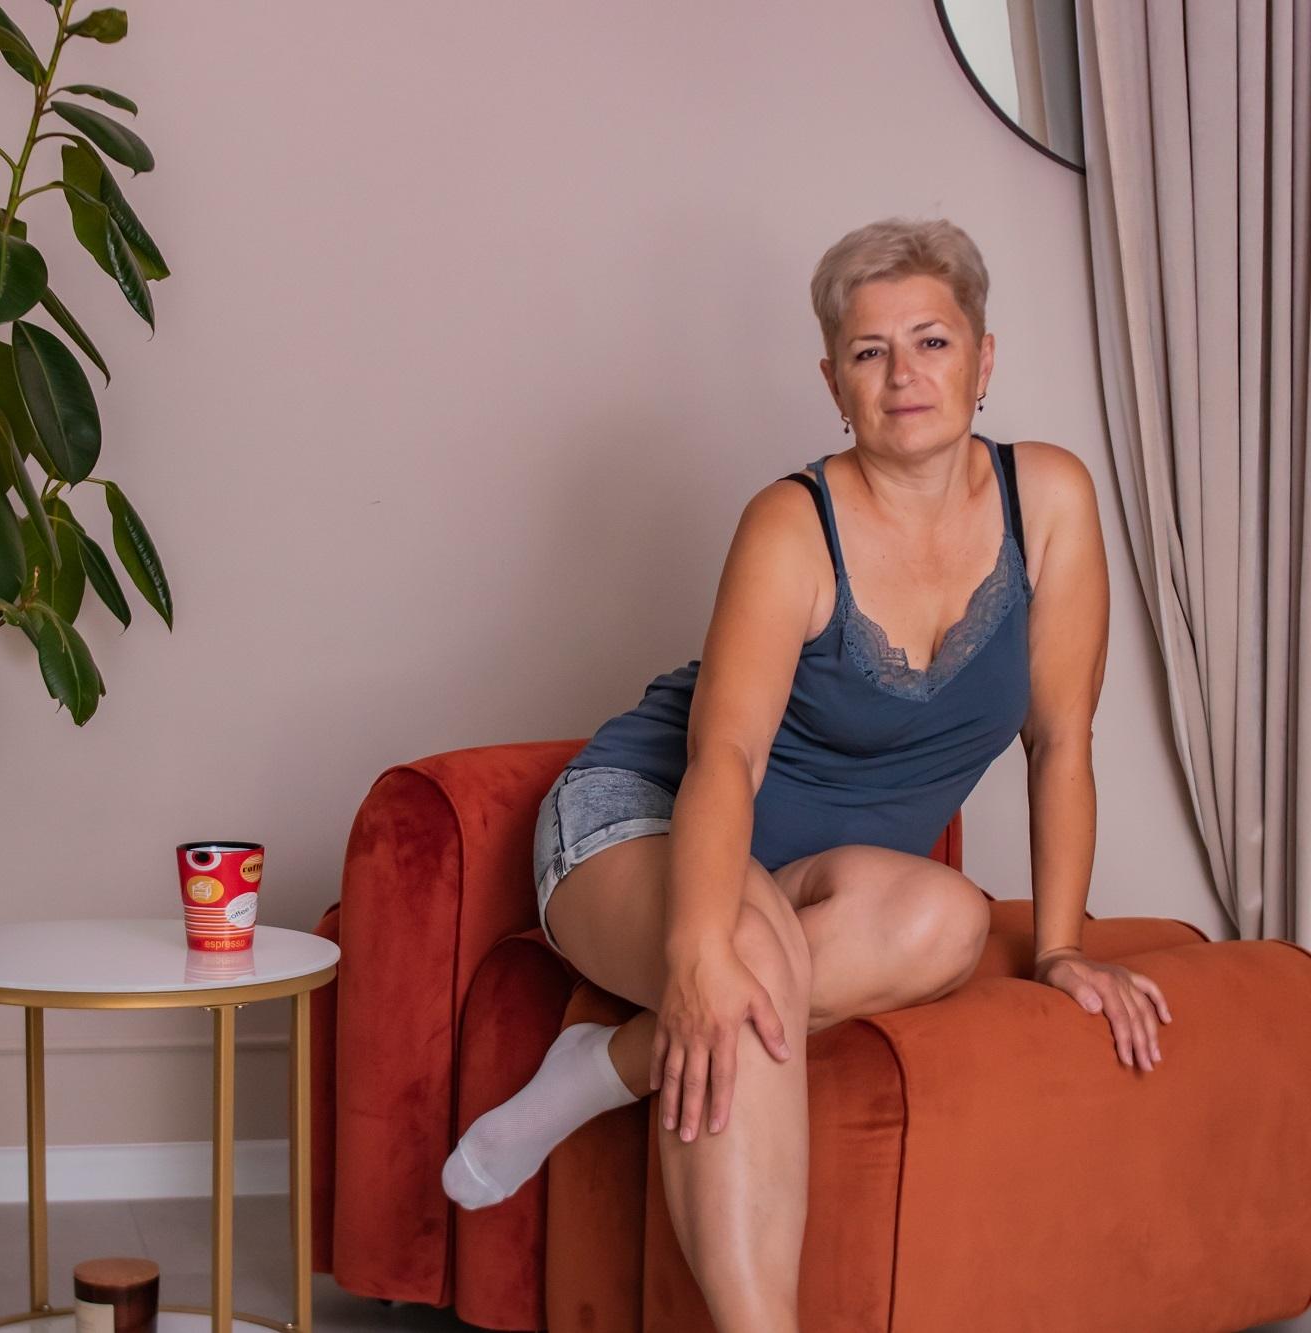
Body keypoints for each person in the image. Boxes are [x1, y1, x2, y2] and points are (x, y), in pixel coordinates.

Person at [439, 216, 1174, 1333]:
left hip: (815, 876)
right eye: (870, 352)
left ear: (983, 360)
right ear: (834, 383)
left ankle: (603, 1066)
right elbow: (721, 759)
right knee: (743, 967)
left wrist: (1063, 948)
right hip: (642, 824)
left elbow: (1060, 740)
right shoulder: (791, 524)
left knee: (949, 920)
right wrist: (697, 949)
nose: (903, 374)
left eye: (931, 341)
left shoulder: (1051, 503)